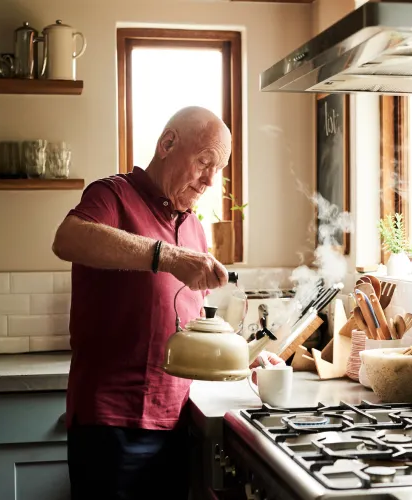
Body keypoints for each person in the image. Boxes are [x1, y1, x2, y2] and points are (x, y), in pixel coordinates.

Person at [52, 106, 282, 500]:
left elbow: (190, 329)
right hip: (111, 423)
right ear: (167, 144)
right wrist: (168, 256)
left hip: (177, 421)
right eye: (204, 161)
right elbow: (67, 239)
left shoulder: (193, 226)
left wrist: (246, 362)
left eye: (219, 168)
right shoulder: (112, 194)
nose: (211, 178)